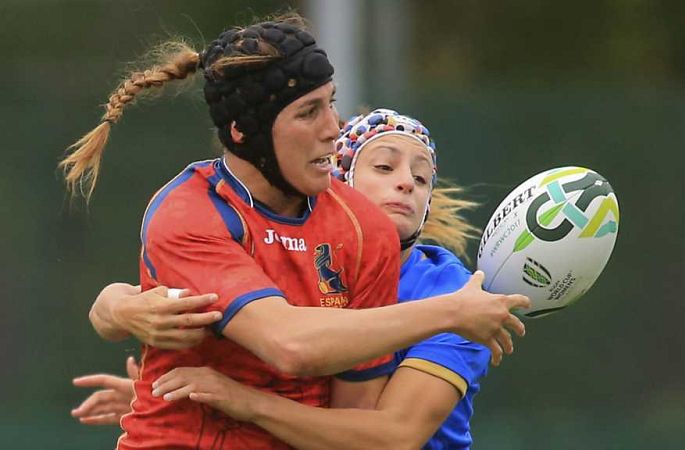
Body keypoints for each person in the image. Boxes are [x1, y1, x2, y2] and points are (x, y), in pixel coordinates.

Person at [62, 14, 528, 450]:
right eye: (309, 112)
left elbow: (373, 433)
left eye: (331, 103)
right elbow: (290, 345)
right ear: (246, 131)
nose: (332, 128)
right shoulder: (193, 210)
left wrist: (243, 401)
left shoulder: (369, 234)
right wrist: (117, 308)